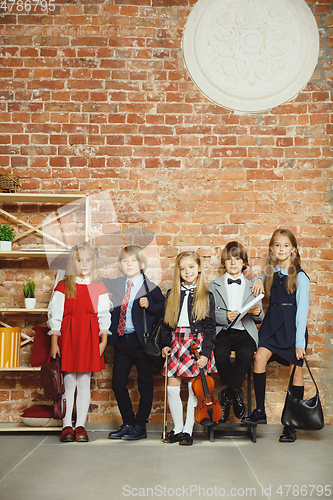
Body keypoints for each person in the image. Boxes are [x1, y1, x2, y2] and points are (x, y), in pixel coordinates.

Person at [242, 229, 310, 443]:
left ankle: (291, 425)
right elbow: (259, 281)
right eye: (277, 245)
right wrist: (259, 279)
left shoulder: (300, 276)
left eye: (286, 245)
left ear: (293, 249)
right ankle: (260, 410)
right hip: (272, 325)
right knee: (259, 358)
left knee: (295, 373)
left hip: (292, 327)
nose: (281, 249)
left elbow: (302, 311)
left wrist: (300, 342)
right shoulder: (269, 273)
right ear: (272, 249)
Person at [48, 241, 112, 443]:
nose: (83, 264)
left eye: (88, 260)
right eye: (79, 260)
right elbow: (55, 315)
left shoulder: (98, 286)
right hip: (69, 335)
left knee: (84, 381)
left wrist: (103, 340)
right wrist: (54, 342)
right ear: (72, 263)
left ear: (93, 263)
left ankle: (81, 425)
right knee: (69, 381)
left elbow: (103, 315)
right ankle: (67, 425)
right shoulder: (63, 285)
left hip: (89, 336)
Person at [104, 245, 165, 441]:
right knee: (117, 383)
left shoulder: (151, 288)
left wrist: (151, 306)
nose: (129, 264)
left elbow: (165, 309)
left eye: (133, 260)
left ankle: (141, 425)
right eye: (125, 261)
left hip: (142, 344)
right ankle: (128, 422)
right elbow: (96, 281)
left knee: (145, 384)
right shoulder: (117, 285)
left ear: (142, 264)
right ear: (120, 266)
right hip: (122, 342)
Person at [161, 251, 216, 446]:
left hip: (196, 345)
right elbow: (166, 325)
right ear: (178, 271)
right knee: (172, 387)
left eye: (191, 267)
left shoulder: (207, 296)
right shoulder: (171, 294)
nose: (187, 271)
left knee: (195, 389)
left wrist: (206, 354)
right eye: (183, 268)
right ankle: (177, 428)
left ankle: (188, 430)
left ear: (199, 268)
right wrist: (165, 345)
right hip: (176, 342)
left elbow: (210, 329)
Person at [209, 241, 264, 422]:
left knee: (247, 353)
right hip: (223, 331)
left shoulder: (253, 286)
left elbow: (259, 317)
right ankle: (236, 393)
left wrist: (257, 312)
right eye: (229, 259)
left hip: (244, 331)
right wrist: (226, 317)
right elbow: (209, 315)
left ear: (244, 262)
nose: (233, 263)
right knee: (220, 353)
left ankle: (227, 395)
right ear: (223, 262)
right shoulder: (214, 285)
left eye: (237, 259)